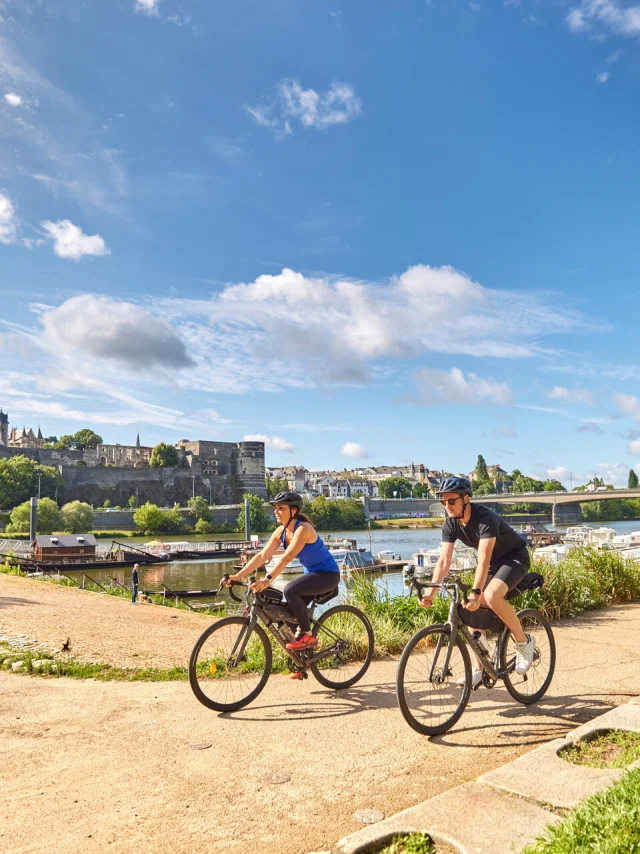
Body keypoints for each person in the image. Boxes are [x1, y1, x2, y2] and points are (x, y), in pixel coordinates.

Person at [420, 476, 535, 689]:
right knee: (468, 609)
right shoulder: (451, 524)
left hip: (514, 558)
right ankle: (480, 669)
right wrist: (430, 592)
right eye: (443, 502)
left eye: (451, 501)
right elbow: (444, 560)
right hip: (493, 564)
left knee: (489, 596)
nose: (447, 506)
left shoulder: (485, 518)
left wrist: (476, 592)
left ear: (466, 499)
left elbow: (483, 558)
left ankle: (524, 642)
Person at [226, 491, 340, 678]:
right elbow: (262, 556)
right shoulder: (280, 532)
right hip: (311, 575)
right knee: (288, 611)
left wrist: (268, 579)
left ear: (293, 511)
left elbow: (287, 557)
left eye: (281, 508)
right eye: (276, 509)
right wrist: (237, 576)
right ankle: (301, 663)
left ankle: (307, 634)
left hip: (328, 575)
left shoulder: (303, 529)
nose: (276, 512)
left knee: (290, 589)